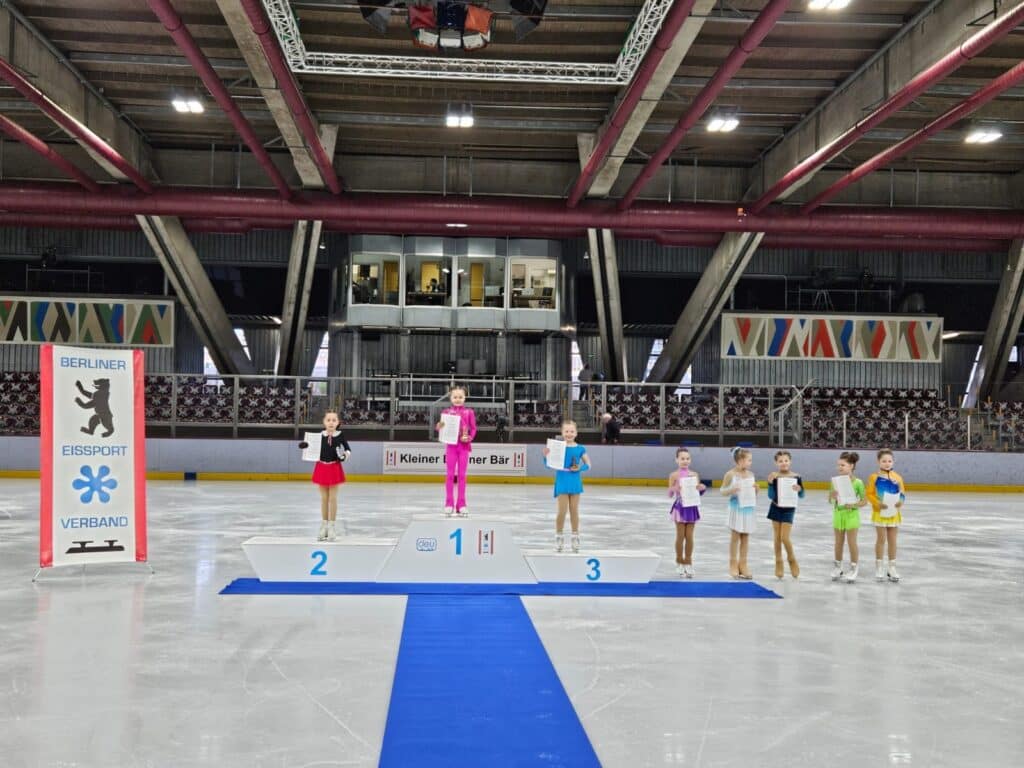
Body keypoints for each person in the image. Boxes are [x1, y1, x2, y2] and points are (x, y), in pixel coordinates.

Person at [297, 410, 351, 542]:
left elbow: (348, 449)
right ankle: (324, 525)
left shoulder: (340, 435)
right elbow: (311, 449)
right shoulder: (319, 436)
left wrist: (344, 456)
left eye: (334, 420)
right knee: (324, 498)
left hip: (334, 467)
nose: (331, 422)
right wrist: (305, 446)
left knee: (332, 498)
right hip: (321, 467)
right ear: (324, 422)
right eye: (328, 420)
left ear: (338, 423)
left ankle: (332, 526)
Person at [542, 420, 591, 553]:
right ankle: (559, 536)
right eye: (566, 431)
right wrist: (546, 456)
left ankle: (575, 536)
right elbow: (549, 464)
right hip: (562, 480)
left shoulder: (580, 448)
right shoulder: (557, 447)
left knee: (574, 510)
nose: (569, 434)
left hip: (575, 481)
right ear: (562, 433)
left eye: (572, 431)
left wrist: (580, 468)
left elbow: (588, 464)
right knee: (562, 511)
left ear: (576, 433)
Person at [434, 384, 477, 517]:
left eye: (460, 397)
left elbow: (474, 428)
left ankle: (462, 504)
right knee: (450, 475)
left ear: (465, 397)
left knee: (462, 476)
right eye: (455, 397)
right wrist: (439, 426)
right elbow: (440, 429)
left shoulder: (469, 412)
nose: (458, 399)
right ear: (451, 398)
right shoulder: (446, 413)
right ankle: (449, 504)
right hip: (451, 447)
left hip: (463, 447)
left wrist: (469, 438)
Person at [866, 448, 906, 582]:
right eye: (884, 461)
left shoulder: (898, 477)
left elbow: (902, 494)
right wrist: (877, 503)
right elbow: (869, 494)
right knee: (881, 539)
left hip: (893, 513)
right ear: (878, 462)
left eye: (889, 461)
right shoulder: (874, 477)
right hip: (880, 512)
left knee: (893, 540)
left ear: (893, 462)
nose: (887, 463)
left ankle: (892, 567)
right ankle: (879, 567)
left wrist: (901, 501)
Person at [829, 451, 868, 583]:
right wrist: (832, 496)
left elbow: (864, 501)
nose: (839, 467)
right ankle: (838, 567)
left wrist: (853, 505)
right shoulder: (835, 482)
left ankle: (853, 568)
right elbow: (830, 499)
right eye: (838, 465)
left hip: (851, 515)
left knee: (852, 543)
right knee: (838, 543)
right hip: (838, 515)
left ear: (851, 466)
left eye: (843, 465)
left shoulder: (858, 483)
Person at [667, 447, 706, 578]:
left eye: (687, 458)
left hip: (691, 507)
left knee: (689, 536)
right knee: (680, 536)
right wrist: (674, 488)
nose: (685, 461)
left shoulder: (694, 475)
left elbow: (698, 492)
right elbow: (669, 494)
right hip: (680, 507)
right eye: (682, 458)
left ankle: (688, 562)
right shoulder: (674, 475)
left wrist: (701, 488)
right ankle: (679, 561)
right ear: (676, 460)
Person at [766, 449, 805, 579]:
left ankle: (791, 559)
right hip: (776, 507)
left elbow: (802, 495)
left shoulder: (796, 477)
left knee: (785, 537)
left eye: (786, 460)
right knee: (777, 537)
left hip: (789, 509)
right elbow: (771, 495)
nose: (784, 463)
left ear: (790, 461)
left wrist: (799, 490)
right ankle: (778, 562)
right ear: (776, 463)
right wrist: (770, 484)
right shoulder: (774, 476)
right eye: (780, 461)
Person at [720, 446, 757, 579]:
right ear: (740, 460)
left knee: (745, 537)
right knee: (735, 537)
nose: (750, 463)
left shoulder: (751, 475)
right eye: (749, 460)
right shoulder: (730, 474)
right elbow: (722, 491)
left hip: (748, 508)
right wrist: (732, 489)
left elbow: (753, 494)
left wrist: (756, 489)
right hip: (736, 508)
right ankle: (733, 563)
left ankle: (743, 564)